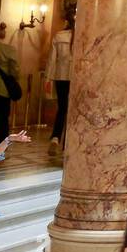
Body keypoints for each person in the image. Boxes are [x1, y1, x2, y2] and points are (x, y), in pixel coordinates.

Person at [45, 8, 75, 156]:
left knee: (62, 108)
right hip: (77, 77)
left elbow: (51, 60)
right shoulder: (83, 35)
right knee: (74, 110)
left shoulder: (59, 36)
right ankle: (68, 142)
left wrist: (48, 78)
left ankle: (56, 137)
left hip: (61, 76)